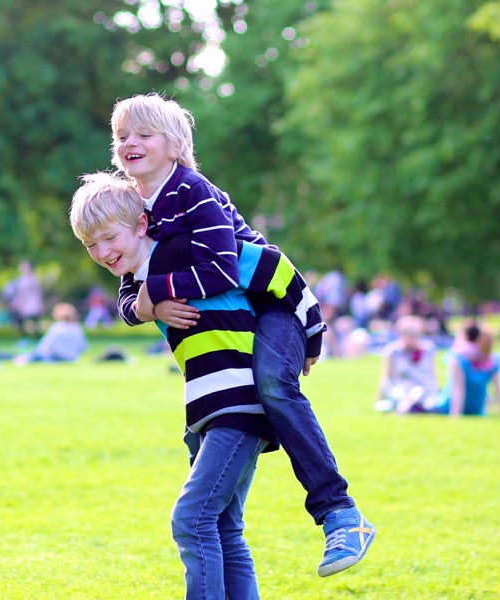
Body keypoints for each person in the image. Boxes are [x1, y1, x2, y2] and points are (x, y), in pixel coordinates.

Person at [108, 93, 374, 577]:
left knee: (272, 383)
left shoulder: (193, 190)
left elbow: (221, 269)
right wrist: (143, 305)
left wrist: (157, 293)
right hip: (241, 319)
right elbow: (129, 287)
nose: (130, 142)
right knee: (223, 521)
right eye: (122, 135)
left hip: (274, 300)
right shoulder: (132, 206)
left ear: (175, 145)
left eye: (143, 134)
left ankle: (341, 513)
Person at [70, 172, 286, 598]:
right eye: (90, 245)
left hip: (239, 401)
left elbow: (263, 262)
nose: (102, 252)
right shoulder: (135, 279)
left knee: (192, 518)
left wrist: (310, 327)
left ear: (141, 225)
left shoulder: (183, 250)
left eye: (109, 238)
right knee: (224, 526)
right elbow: (127, 305)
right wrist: (147, 305)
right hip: (206, 408)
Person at [432, 321, 500, 416]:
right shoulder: (459, 358)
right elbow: (458, 390)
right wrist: (455, 416)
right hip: (451, 407)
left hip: (475, 409)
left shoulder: (493, 360)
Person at [376, 315, 438, 414]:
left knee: (421, 395)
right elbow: (387, 378)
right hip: (401, 389)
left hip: (423, 390)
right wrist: (379, 399)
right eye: (409, 334)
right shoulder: (393, 351)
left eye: (415, 334)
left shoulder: (428, 350)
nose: (412, 338)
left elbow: (431, 376)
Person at [15, 302, 87, 364]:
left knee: (38, 355)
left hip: (57, 357)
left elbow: (45, 346)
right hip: (72, 358)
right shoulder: (77, 329)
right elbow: (83, 347)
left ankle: (23, 359)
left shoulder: (56, 327)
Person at [9, 260, 44, 339]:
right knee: (20, 321)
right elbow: (19, 293)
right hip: (22, 304)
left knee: (35, 321)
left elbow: (37, 293)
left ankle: (37, 338)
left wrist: (40, 304)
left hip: (32, 303)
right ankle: (24, 337)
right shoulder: (20, 280)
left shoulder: (34, 279)